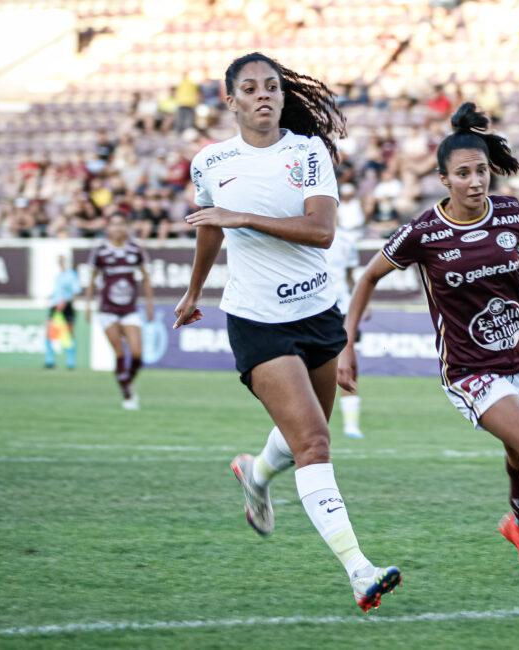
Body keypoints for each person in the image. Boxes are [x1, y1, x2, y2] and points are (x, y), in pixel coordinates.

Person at [338, 103, 519, 570]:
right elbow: (368, 277)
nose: (475, 181)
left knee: (518, 453)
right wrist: (348, 345)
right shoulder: (424, 232)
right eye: (463, 174)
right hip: (469, 370)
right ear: (444, 180)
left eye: (482, 171)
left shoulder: (510, 214)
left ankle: (517, 525)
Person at [173, 52, 399, 612]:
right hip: (256, 321)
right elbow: (210, 230)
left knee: (308, 433)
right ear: (231, 101)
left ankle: (255, 472)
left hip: (319, 314)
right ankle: (359, 570)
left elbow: (321, 232)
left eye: (271, 86)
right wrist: (194, 290)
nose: (264, 95)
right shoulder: (210, 163)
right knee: (315, 443)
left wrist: (243, 217)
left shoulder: (308, 152)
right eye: (249, 88)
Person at [85, 213, 154, 410]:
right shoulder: (100, 251)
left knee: (137, 353)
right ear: (108, 228)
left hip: (129, 309)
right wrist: (88, 305)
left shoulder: (135, 250)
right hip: (107, 309)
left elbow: (146, 278)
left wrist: (150, 305)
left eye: (121, 224)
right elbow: (92, 280)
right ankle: (127, 394)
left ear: (127, 227)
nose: (118, 228)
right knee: (119, 353)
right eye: (114, 224)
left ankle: (127, 381)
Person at [328, 184, 366, 439]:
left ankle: (351, 425)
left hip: (341, 309)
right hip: (315, 309)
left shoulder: (345, 241)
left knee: (348, 366)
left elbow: (353, 276)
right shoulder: (303, 235)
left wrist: (364, 304)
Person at [46, 255, 81, 370]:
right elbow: (57, 291)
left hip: (66, 306)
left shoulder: (71, 275)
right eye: (59, 261)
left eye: (62, 261)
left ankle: (71, 362)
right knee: (50, 333)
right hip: (55, 305)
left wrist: (67, 299)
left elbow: (76, 290)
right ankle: (49, 361)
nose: (60, 263)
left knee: (68, 334)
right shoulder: (58, 275)